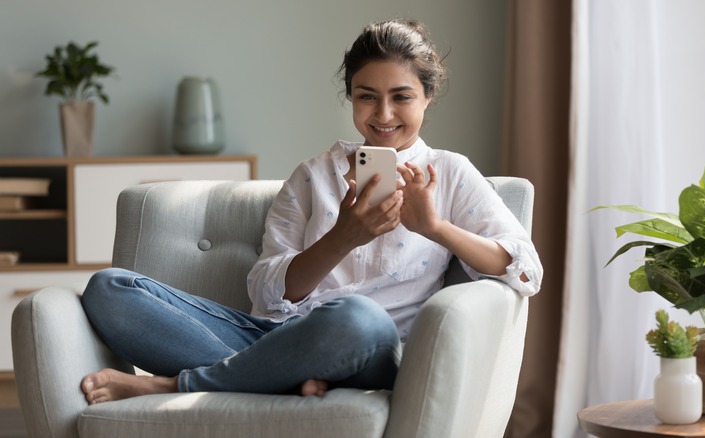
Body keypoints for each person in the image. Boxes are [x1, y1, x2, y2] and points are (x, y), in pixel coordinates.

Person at [80, 18, 543, 405]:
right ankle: (281, 377)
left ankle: (173, 385)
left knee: (355, 316)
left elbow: (524, 271)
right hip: (273, 338)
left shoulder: (451, 173)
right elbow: (266, 295)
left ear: (427, 96)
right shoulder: (312, 176)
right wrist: (344, 236)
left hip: (368, 346)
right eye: (367, 96)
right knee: (110, 287)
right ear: (350, 96)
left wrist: (436, 227)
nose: (383, 114)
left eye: (401, 96)